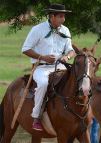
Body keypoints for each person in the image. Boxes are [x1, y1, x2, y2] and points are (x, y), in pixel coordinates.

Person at [21, 3, 75, 131]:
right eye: (61, 16)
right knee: (44, 84)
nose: (63, 19)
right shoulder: (37, 29)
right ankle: (36, 117)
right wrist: (43, 57)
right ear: (52, 16)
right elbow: (25, 49)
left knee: (77, 80)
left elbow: (71, 51)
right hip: (41, 68)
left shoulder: (65, 30)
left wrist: (66, 57)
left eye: (64, 16)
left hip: (61, 66)